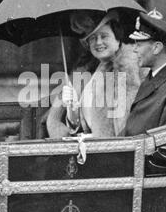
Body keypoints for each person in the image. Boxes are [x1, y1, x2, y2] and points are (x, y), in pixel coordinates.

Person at [46, 10, 142, 138]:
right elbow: (81, 126)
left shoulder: (128, 68)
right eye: (93, 38)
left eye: (104, 36)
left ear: (117, 37)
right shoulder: (88, 72)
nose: (98, 42)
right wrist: (72, 110)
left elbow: (124, 125)